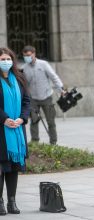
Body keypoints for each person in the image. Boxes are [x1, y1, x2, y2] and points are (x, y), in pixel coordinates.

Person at [0, 47, 30, 215]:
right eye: (2, 59)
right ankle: (0, 202)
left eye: (8, 59)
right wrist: (4, 118)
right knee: (2, 166)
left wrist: (21, 118)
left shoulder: (19, 78)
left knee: (13, 167)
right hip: (1, 129)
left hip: (17, 128)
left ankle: (12, 201)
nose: (6, 62)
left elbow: (27, 101)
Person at [22, 45, 64, 145]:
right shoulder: (24, 68)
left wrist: (61, 88)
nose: (27, 57)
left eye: (28, 55)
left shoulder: (43, 64)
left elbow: (54, 77)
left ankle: (53, 142)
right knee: (34, 121)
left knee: (51, 121)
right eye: (25, 56)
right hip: (33, 99)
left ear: (34, 54)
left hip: (46, 97)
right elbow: (24, 84)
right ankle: (35, 142)